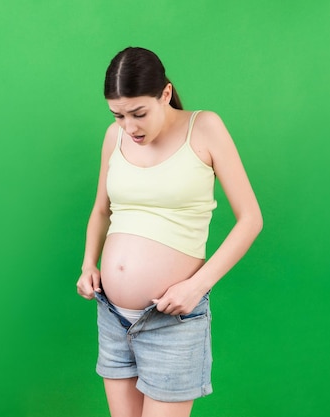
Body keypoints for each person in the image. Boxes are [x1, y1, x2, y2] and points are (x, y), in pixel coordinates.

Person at [76, 46, 263, 417]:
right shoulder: (114, 137)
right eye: (118, 115)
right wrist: (88, 265)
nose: (129, 127)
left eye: (139, 113)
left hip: (171, 321)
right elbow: (102, 210)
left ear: (165, 93)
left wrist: (198, 285)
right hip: (112, 316)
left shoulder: (205, 127)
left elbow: (251, 219)